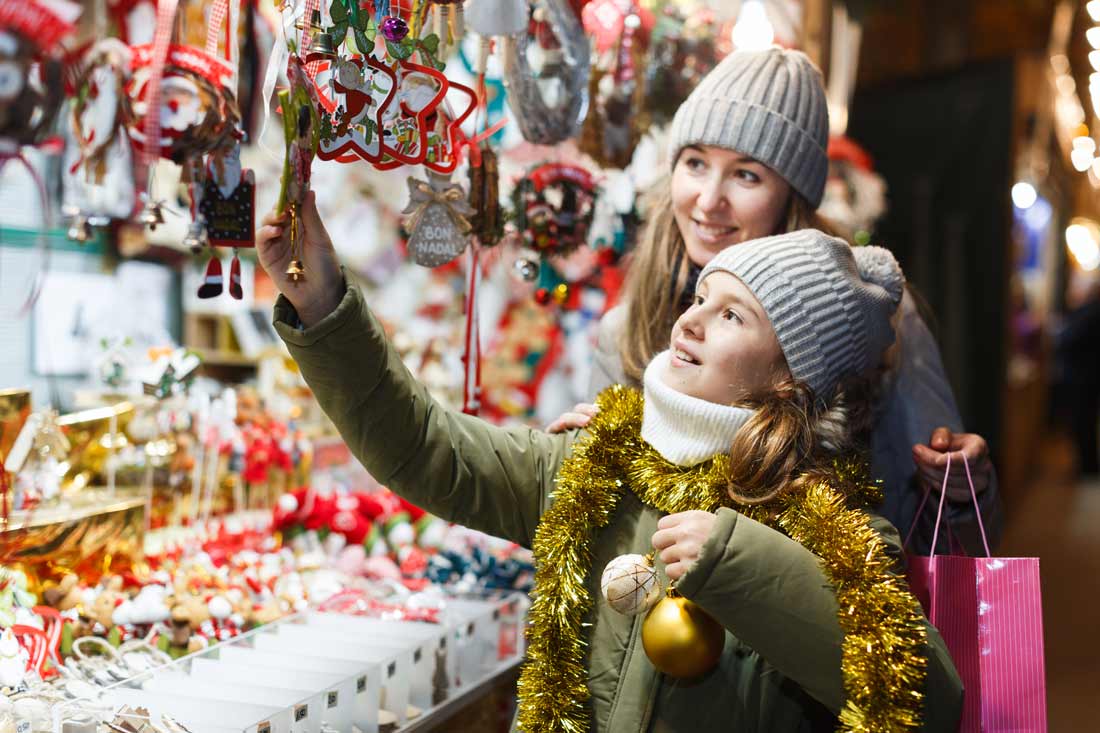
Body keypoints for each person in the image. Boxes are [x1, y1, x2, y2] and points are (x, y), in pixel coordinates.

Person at [256, 203, 962, 731]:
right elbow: (424, 449)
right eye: (698, 300)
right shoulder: (593, 464)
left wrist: (742, 561)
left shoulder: (834, 525)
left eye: (733, 317)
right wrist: (321, 303)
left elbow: (929, 701)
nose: (689, 322)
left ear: (791, 378)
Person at [550, 46, 1001, 554]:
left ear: (792, 197)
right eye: (695, 163)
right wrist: (581, 465)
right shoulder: (631, 327)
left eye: (747, 175)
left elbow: (941, 531)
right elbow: (599, 546)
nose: (708, 199)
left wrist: (964, 491)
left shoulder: (875, 322)